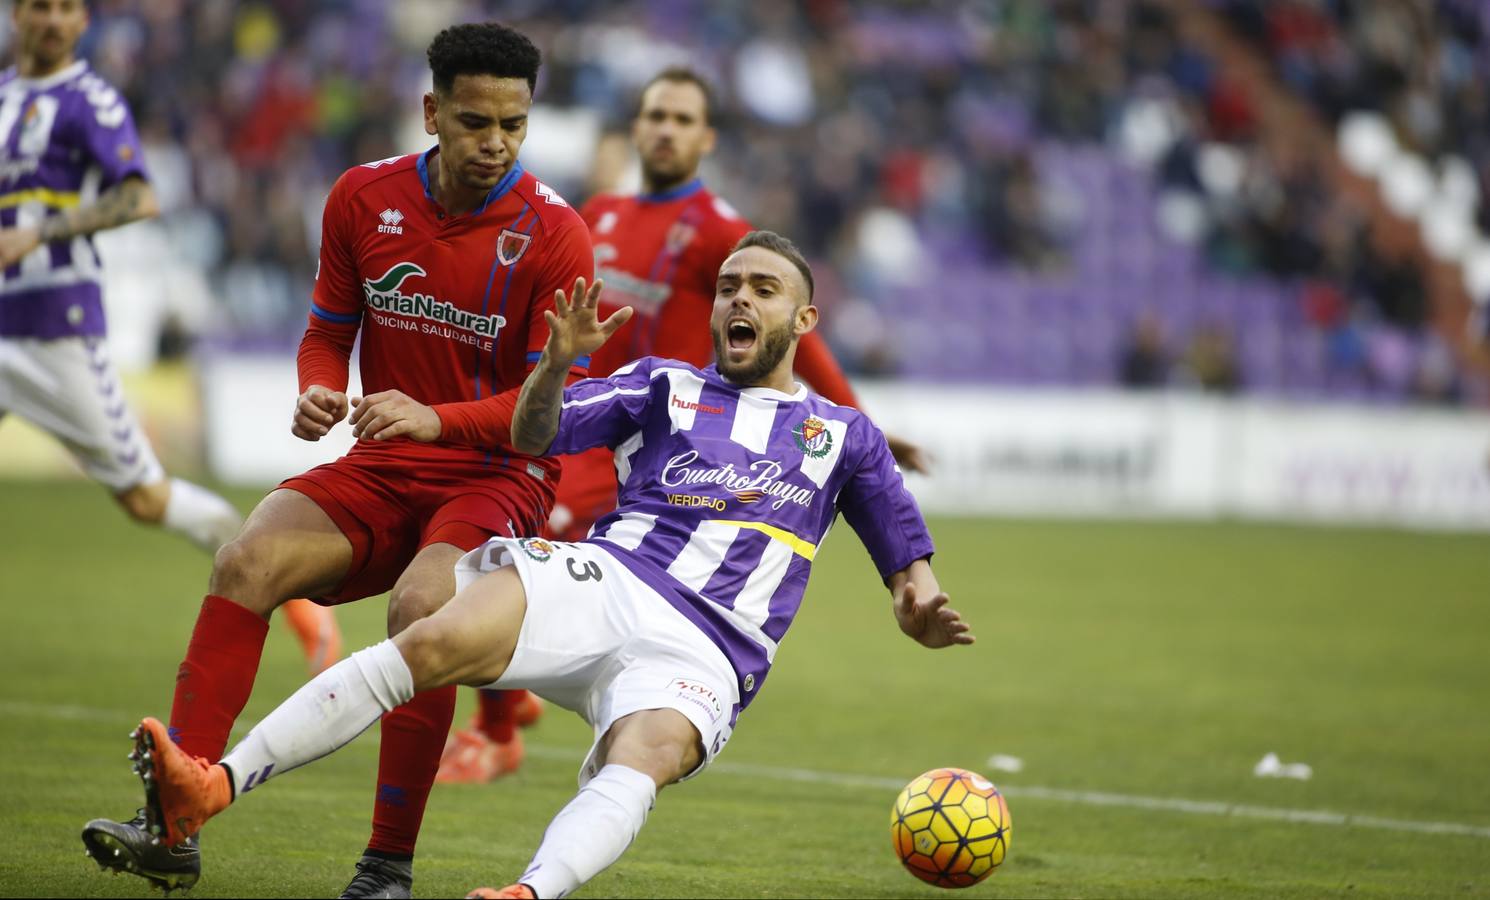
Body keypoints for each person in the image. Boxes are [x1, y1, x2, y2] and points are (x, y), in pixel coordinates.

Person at [110, 230, 973, 900]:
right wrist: (556, 364)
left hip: (711, 652)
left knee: (646, 752)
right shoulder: (662, 385)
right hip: (610, 582)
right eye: (727, 288)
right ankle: (209, 789)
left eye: (763, 289)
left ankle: (528, 888)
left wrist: (921, 610)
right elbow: (530, 436)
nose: (738, 300)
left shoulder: (847, 438)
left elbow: (911, 572)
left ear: (803, 320)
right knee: (430, 638)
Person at [81, 22, 593, 898]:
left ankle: (386, 866)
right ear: (432, 111)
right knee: (245, 560)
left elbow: (544, 420)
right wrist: (319, 387)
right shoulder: (362, 199)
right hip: (386, 463)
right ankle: (171, 824)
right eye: (475, 122)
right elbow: (328, 331)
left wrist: (436, 418)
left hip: (495, 478)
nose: (495, 143)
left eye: (513, 124)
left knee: (422, 613)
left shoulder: (555, 236)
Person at [441, 65, 931, 784]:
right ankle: (511, 718)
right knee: (499, 551)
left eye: (681, 119)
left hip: (668, 439)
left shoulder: (718, 229)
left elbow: (795, 332)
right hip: (594, 408)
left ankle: (507, 731)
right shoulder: (601, 214)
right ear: (635, 128)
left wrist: (859, 418)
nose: (665, 129)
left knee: (525, 557)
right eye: (655, 115)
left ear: (705, 138)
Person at [0, 6, 341, 667]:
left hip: (54, 330)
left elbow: (139, 198)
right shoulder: (7, 97)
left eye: (69, 7)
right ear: (18, 13)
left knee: (145, 496)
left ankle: (287, 591)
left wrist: (40, 233)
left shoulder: (89, 101)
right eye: (41, 4)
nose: (53, 20)